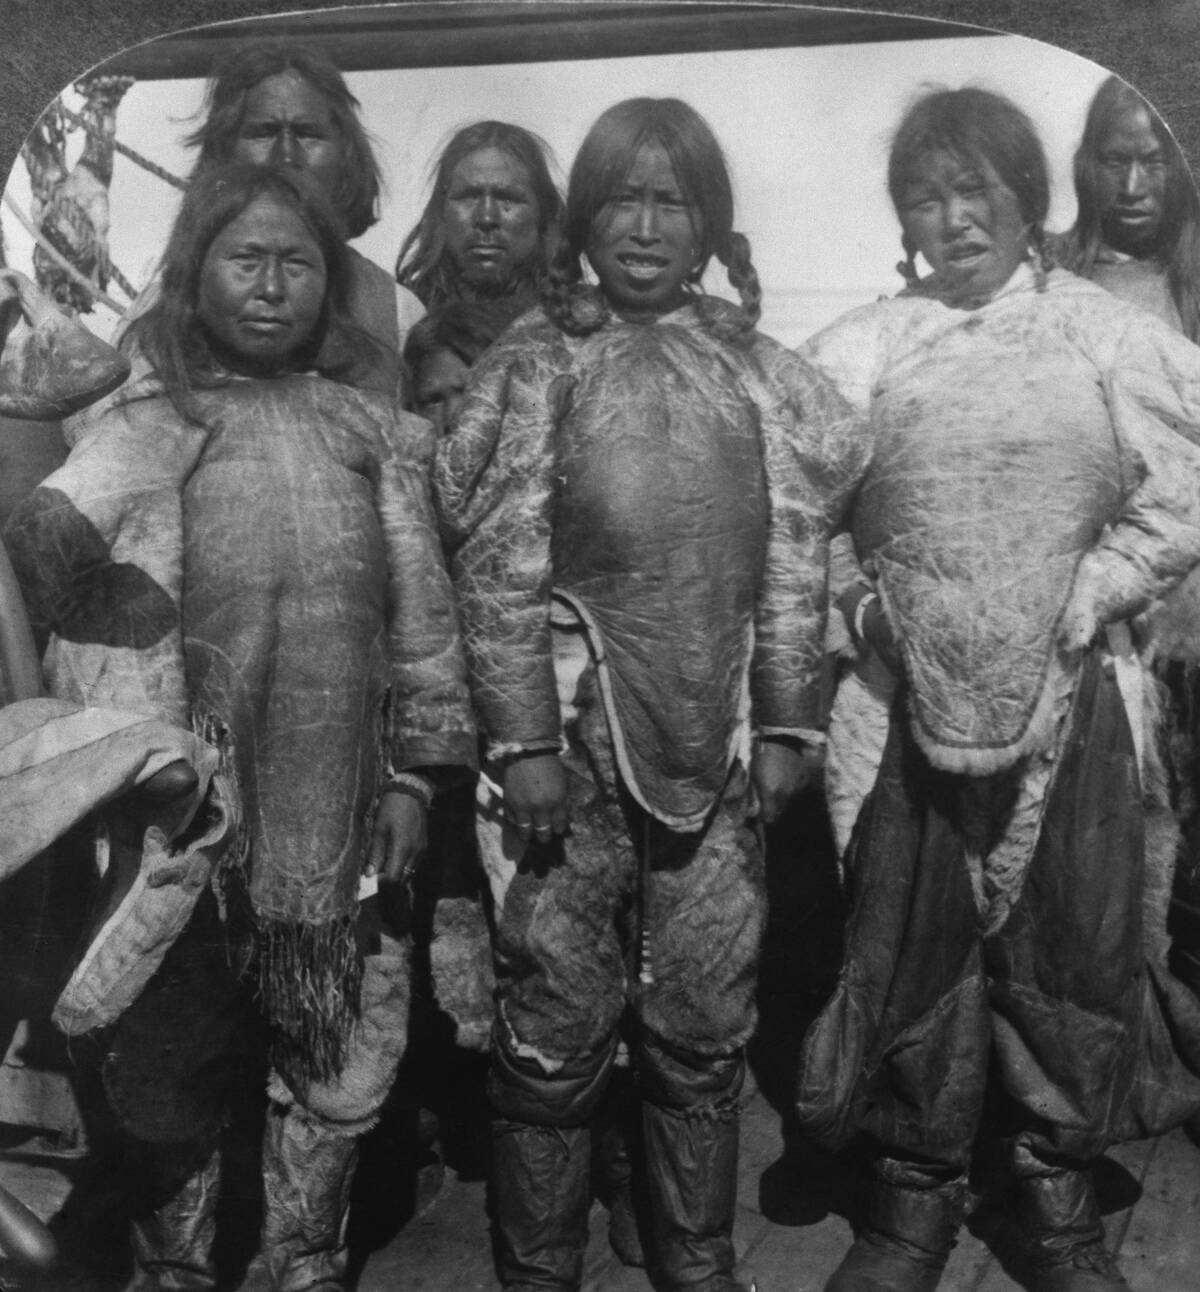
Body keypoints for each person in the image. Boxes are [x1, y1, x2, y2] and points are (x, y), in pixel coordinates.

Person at [5, 162, 476, 1291]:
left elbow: (422, 625)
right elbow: (34, 560)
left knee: (334, 1077)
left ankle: (303, 1265)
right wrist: (38, 408)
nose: (270, 285)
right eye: (243, 258)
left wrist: (415, 778)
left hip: (337, 828)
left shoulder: (376, 435)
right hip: (181, 837)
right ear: (193, 275)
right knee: (170, 1079)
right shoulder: (141, 423)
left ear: (330, 287)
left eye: (296, 262)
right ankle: (175, 1271)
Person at [435, 96, 857, 1292]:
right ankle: (542, 1271)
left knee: (702, 1024)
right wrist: (521, 741)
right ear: (585, 216)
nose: (645, 224)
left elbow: (791, 556)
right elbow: (499, 565)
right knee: (555, 1024)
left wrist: (787, 718)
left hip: (715, 750)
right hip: (564, 751)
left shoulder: (758, 372)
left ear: (711, 221)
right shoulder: (538, 361)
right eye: (622, 196)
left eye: (673, 200)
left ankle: (697, 1258)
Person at [795, 87, 1200, 1292]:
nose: (956, 218)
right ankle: (910, 1199)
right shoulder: (866, 345)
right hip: (897, 694)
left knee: (1069, 937)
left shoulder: (1108, 335)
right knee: (904, 934)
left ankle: (1055, 1195)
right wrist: (862, 610)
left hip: (1074, 685)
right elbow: (798, 516)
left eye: (981, 191)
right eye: (929, 197)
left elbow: (1179, 495)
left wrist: (1099, 584)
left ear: (1031, 197)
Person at [395, 120, 563, 314]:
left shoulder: (575, 321)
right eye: (469, 197)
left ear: (542, 213)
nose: (486, 218)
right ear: (441, 211)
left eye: (507, 199)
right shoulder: (405, 317)